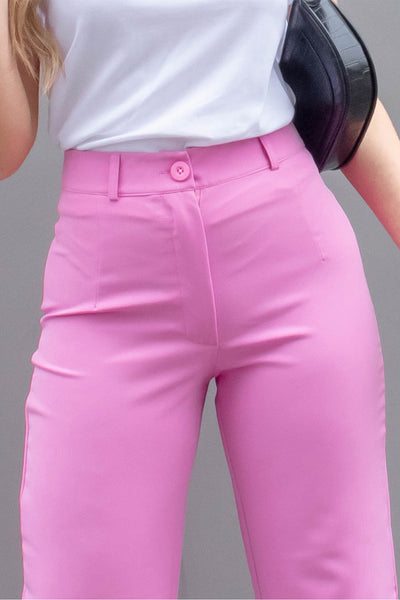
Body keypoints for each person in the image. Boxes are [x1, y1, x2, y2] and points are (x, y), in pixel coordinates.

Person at [1, 0, 399, 598]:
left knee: (341, 583)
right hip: (110, 286)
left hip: (290, 259)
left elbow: (333, 59)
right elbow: (6, 150)